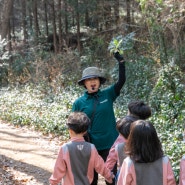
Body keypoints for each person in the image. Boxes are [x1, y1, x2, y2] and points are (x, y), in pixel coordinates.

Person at [72, 52, 126, 185]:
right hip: (89, 146)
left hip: (109, 144)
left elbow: (121, 82)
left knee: (111, 179)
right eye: (89, 80)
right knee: (91, 180)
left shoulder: (108, 94)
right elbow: (74, 126)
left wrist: (121, 63)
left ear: (99, 81)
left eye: (95, 79)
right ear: (84, 83)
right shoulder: (79, 103)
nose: (92, 82)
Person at [49, 112, 114, 185]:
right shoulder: (91, 148)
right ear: (85, 131)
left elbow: (59, 169)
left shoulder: (65, 148)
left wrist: (53, 182)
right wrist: (109, 176)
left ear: (70, 131)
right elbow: (100, 166)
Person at [117, 120, 176, 185]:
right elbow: (171, 182)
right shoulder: (164, 161)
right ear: (155, 140)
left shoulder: (129, 163)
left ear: (133, 140)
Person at [106, 100, 152, 172]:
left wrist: (108, 170)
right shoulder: (148, 128)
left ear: (130, 113)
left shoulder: (125, 128)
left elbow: (113, 153)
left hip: (126, 170)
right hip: (146, 169)